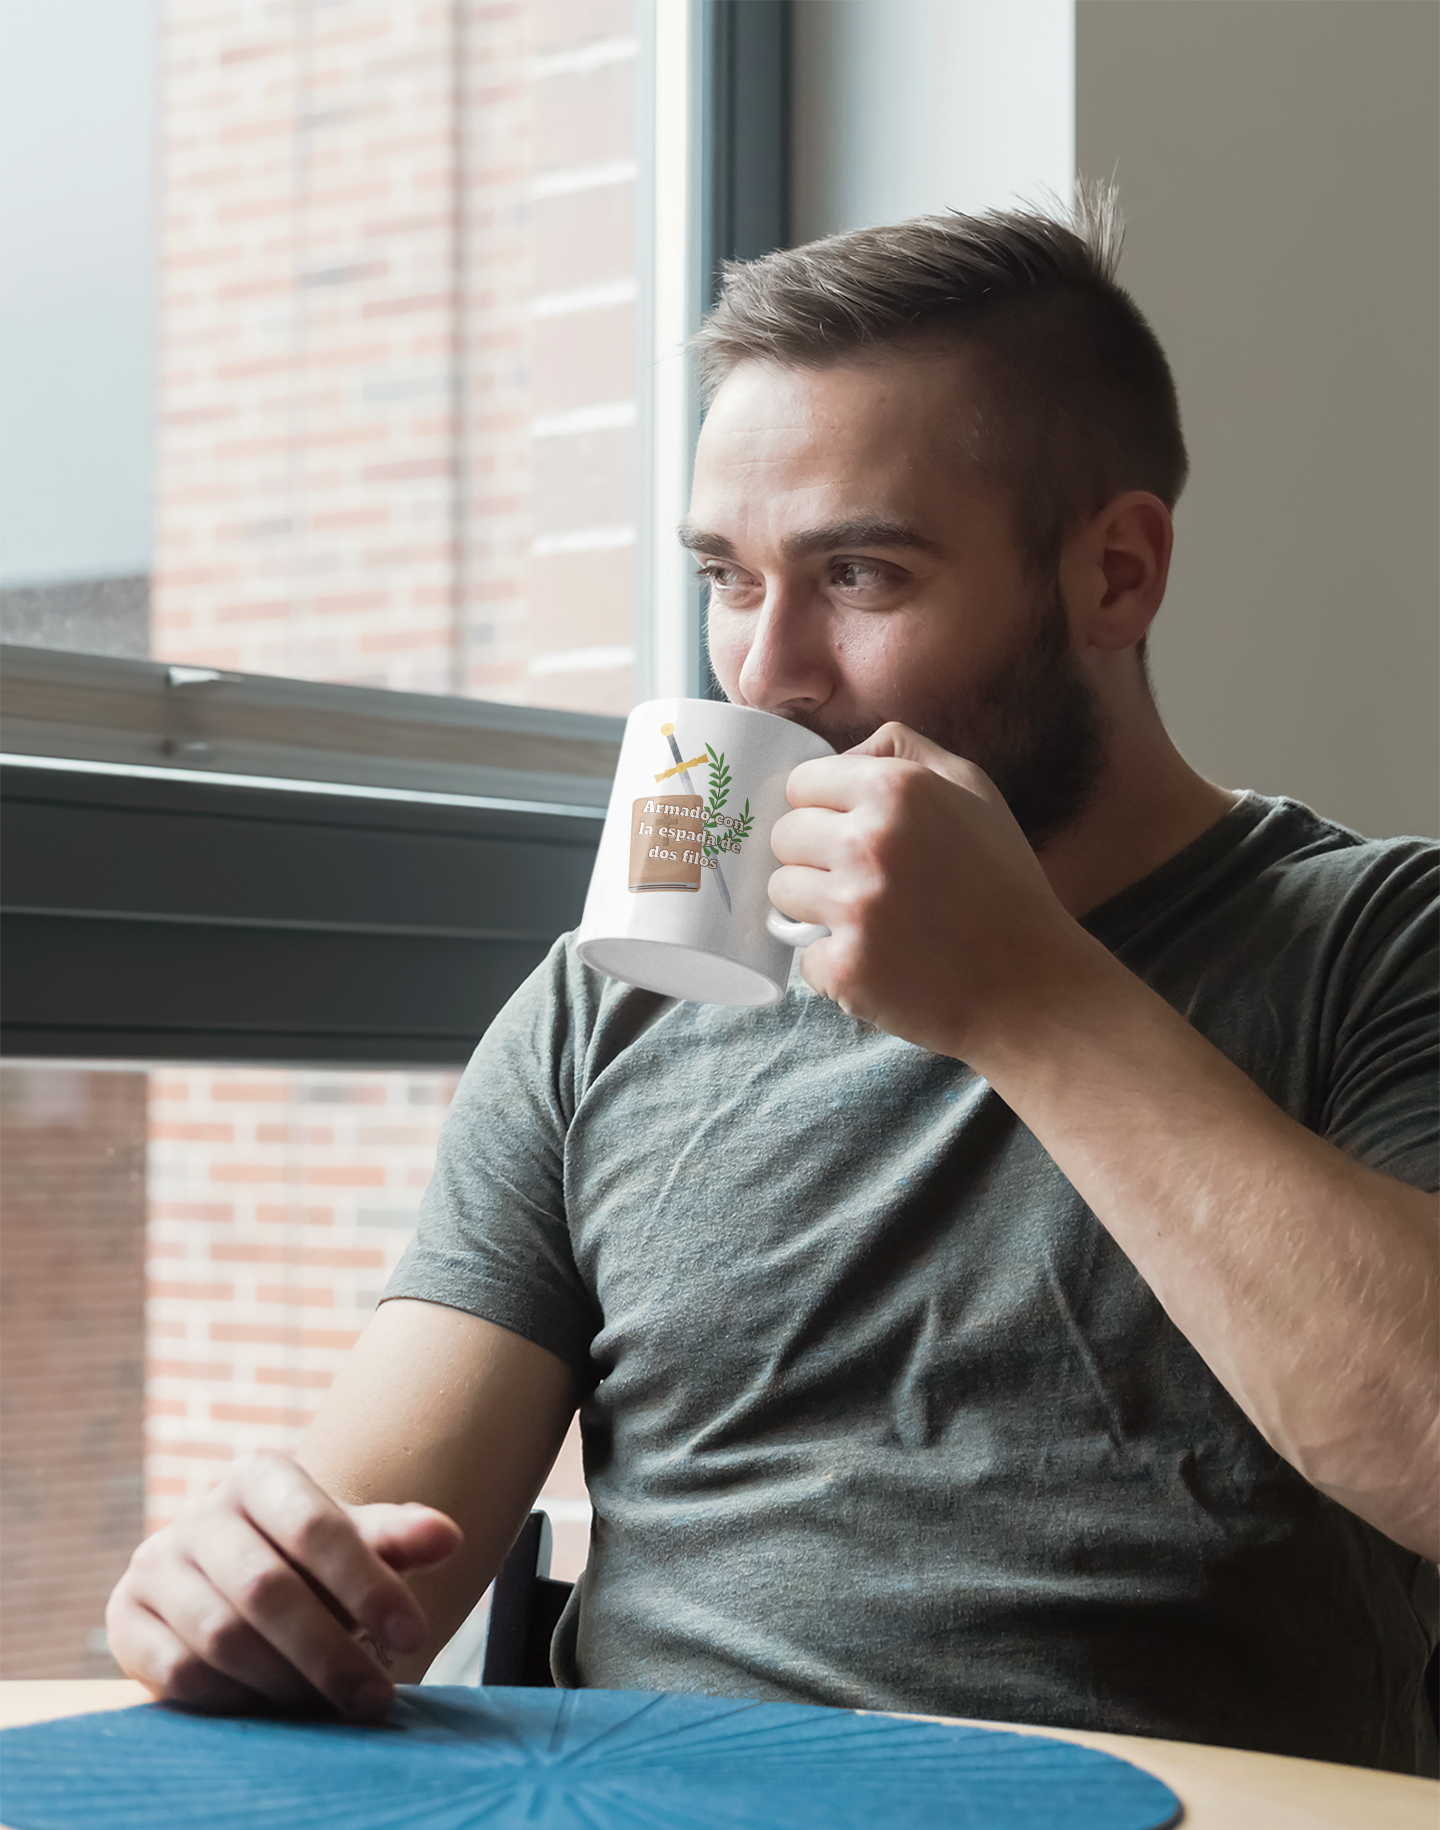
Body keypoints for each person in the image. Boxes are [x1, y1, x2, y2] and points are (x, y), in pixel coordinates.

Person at [106, 191, 1439, 1774]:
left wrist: (1031, 999)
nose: (763, 671)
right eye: (729, 578)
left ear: (1117, 576)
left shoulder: (1377, 941)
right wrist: (249, 1586)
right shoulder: (610, 1002)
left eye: (860, 575)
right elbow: (381, 1540)